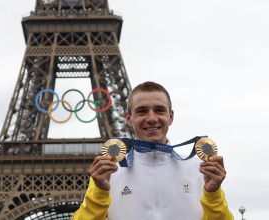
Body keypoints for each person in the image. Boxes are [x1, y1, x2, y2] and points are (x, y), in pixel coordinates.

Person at [72, 82, 233, 220]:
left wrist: (214, 195)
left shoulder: (199, 170)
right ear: (129, 118)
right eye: (142, 111)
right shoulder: (109, 173)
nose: (151, 118)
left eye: (159, 110)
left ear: (170, 116)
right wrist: (99, 194)